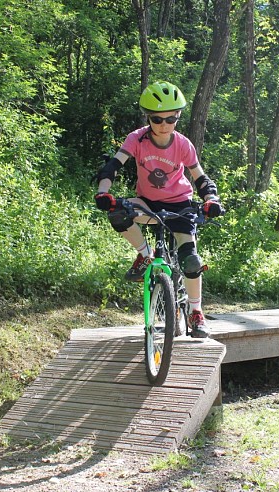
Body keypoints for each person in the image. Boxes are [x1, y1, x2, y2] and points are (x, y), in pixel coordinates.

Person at [93, 81, 224, 338]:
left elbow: (200, 178)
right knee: (118, 212)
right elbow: (112, 167)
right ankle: (145, 255)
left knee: (191, 260)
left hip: (180, 205)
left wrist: (212, 199)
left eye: (171, 119)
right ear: (148, 118)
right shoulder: (137, 139)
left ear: (178, 117)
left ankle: (196, 313)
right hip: (148, 203)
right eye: (157, 119)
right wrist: (103, 191)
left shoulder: (183, 144)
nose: (164, 125)